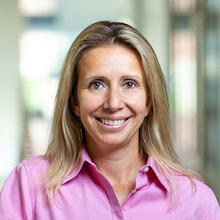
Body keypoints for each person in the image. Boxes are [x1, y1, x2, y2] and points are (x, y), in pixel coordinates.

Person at [0, 21, 219, 220]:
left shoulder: (196, 203)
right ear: (74, 101)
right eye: (97, 84)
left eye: (129, 84)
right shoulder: (28, 188)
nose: (113, 103)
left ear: (149, 102)